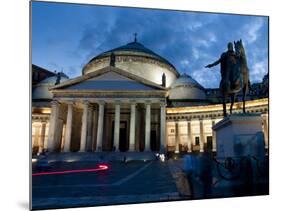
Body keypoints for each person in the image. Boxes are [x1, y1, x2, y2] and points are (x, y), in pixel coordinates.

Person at [205, 42, 237, 116]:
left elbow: (239, 62)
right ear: (228, 47)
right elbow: (219, 61)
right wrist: (212, 65)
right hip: (227, 71)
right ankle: (224, 91)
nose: (230, 47)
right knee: (225, 79)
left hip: (234, 71)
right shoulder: (225, 54)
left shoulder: (235, 54)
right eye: (229, 46)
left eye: (231, 46)